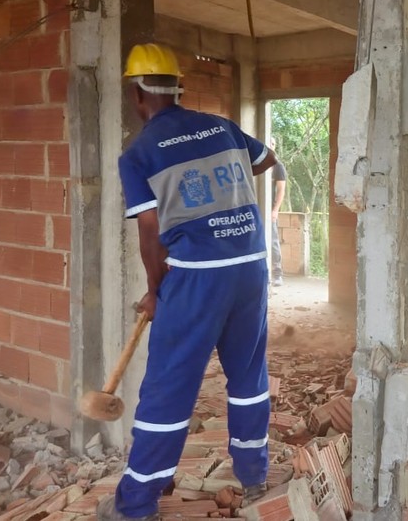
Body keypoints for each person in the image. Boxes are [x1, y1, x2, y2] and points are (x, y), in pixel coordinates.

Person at [97, 44, 278, 521]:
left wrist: (155, 292)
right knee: (248, 374)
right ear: (179, 89)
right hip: (251, 270)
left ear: (137, 94)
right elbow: (266, 158)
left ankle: (136, 504)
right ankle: (255, 473)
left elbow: (151, 230)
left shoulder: (138, 154)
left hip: (197, 279)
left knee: (169, 387)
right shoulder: (222, 127)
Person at [270, 139, 287, 287]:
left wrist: (275, 210)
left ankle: (277, 274)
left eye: (273, 144)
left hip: (269, 211)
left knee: (273, 240)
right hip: (256, 208)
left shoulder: (277, 166)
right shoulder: (255, 164)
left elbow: (281, 190)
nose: (270, 146)